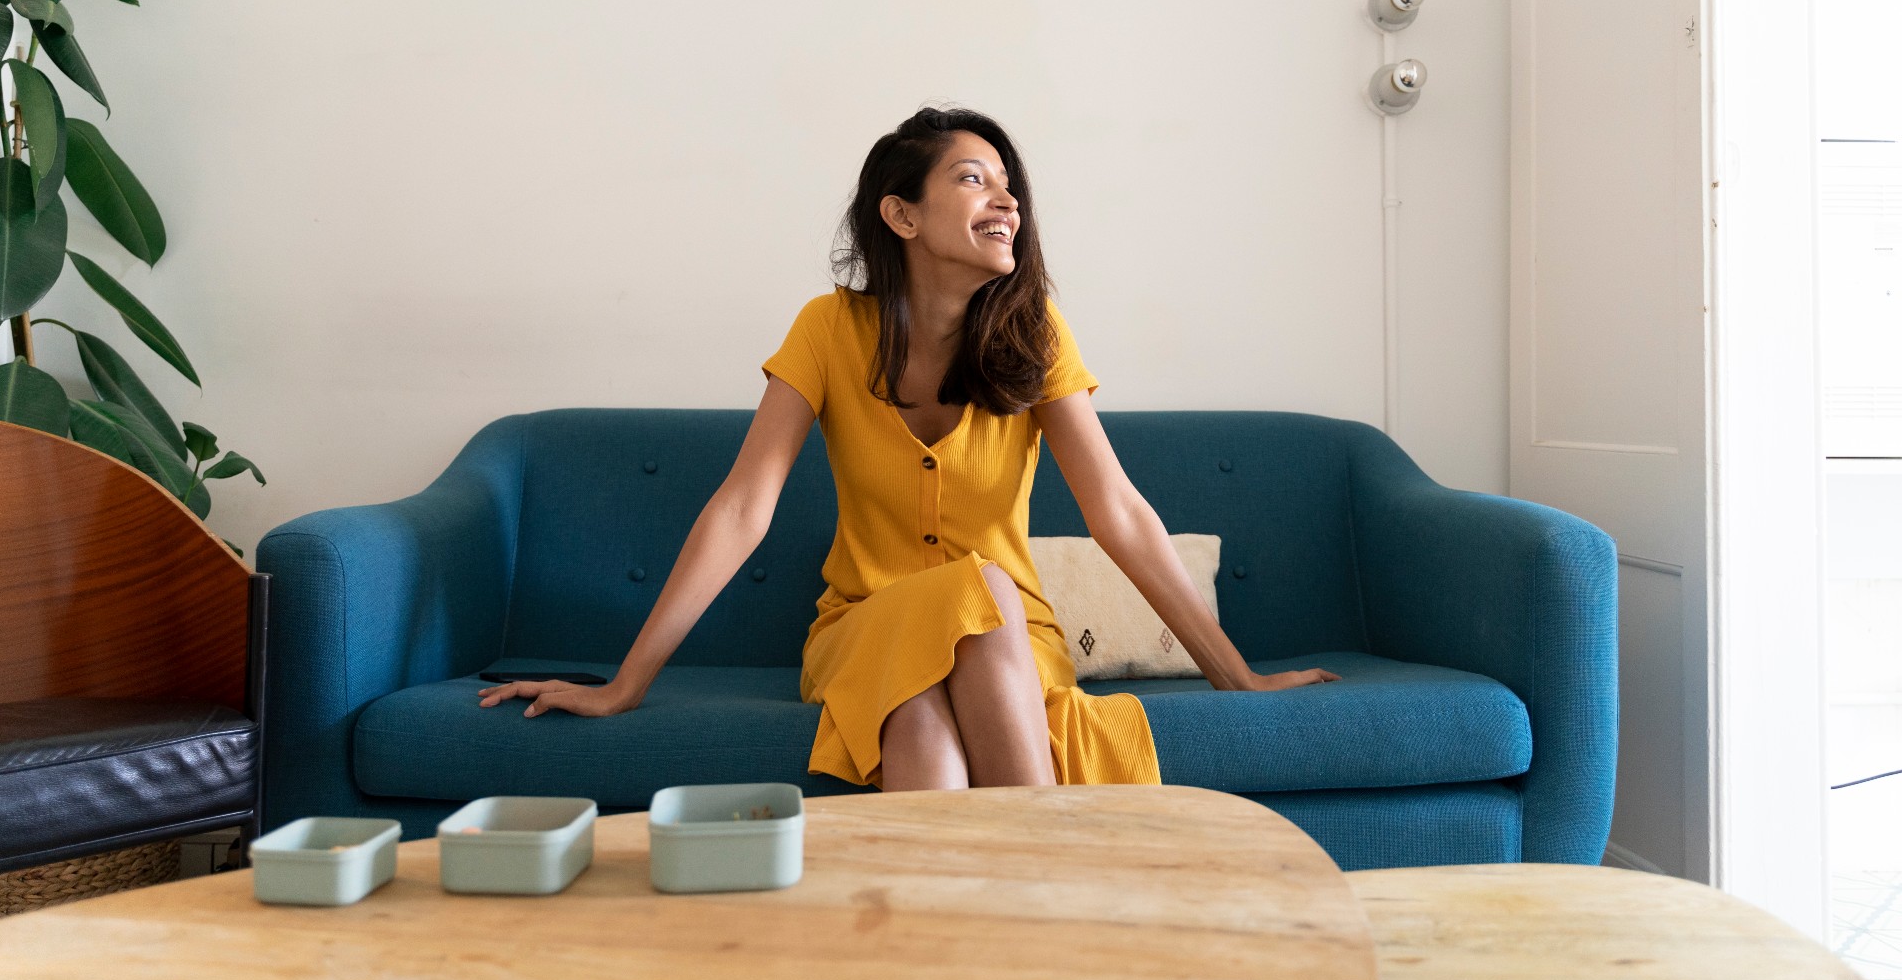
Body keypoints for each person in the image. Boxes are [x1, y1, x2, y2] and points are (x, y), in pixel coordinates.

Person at [477, 106, 1339, 790]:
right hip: (863, 627)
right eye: (974, 179)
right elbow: (743, 507)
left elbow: (1117, 512)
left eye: (1010, 187)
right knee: (974, 594)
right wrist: (626, 683)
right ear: (901, 214)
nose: (1007, 200)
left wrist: (1238, 678)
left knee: (928, 718)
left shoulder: (1037, 338)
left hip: (1010, 638)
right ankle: (1050, 918)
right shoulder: (828, 330)